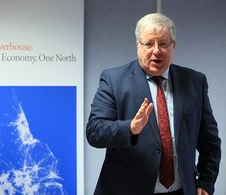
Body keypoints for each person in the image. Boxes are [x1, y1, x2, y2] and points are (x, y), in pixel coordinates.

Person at [86, 13, 221, 195]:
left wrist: (206, 181)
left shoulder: (195, 82)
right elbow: (95, 132)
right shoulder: (113, 80)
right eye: (149, 43)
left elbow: (210, 141)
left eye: (163, 44)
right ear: (138, 46)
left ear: (173, 46)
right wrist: (131, 128)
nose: (156, 50)